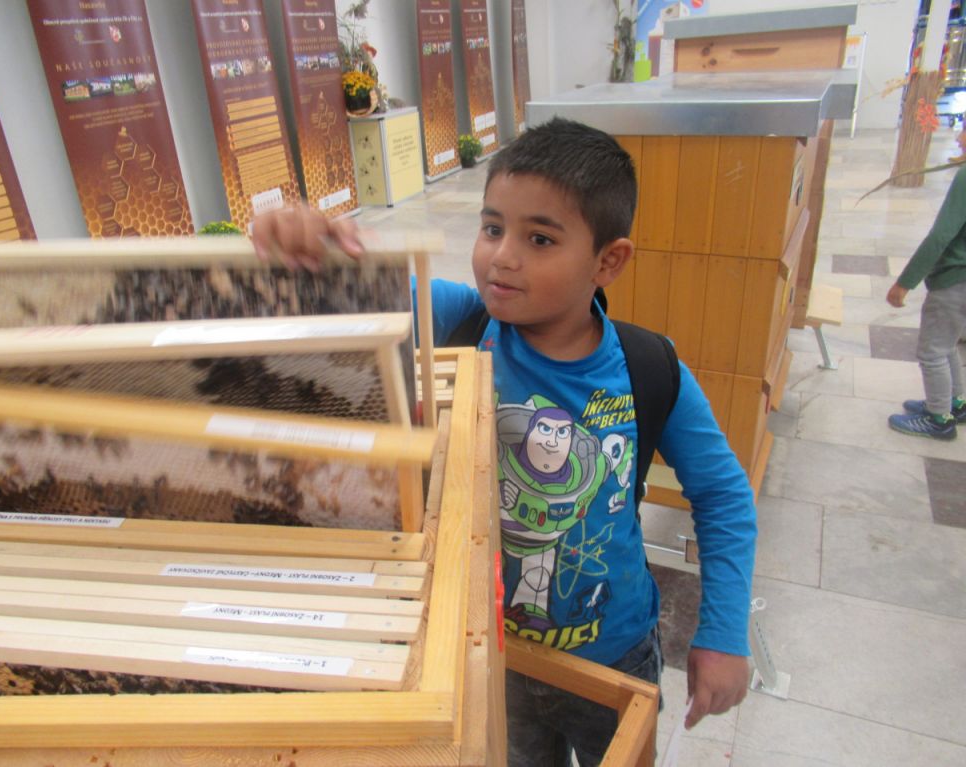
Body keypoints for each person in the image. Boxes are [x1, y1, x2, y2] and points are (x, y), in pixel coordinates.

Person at [252, 117, 757, 766]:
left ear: (608, 261)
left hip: (615, 658)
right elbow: (342, 296)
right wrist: (301, 245)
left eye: (539, 238)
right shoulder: (456, 321)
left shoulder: (649, 369)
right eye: (492, 228)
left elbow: (723, 496)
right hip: (491, 652)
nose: (503, 256)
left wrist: (723, 632)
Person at [886, 131, 966, 442]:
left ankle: (938, 419)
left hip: (955, 278)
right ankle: (954, 403)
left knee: (932, 351)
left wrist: (905, 282)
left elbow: (940, 236)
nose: (959, 138)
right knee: (947, 344)